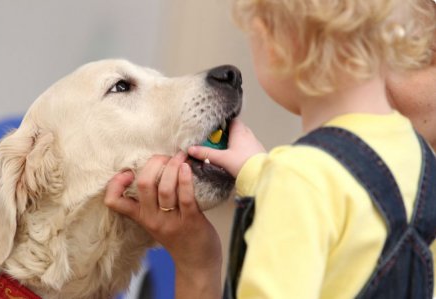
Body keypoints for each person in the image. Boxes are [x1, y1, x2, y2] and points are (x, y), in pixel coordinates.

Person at [104, 0, 436, 298]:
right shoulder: (417, 157)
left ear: (277, 44)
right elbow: (355, 204)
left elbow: (312, 193)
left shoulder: (297, 182)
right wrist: (260, 171)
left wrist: (282, 182)